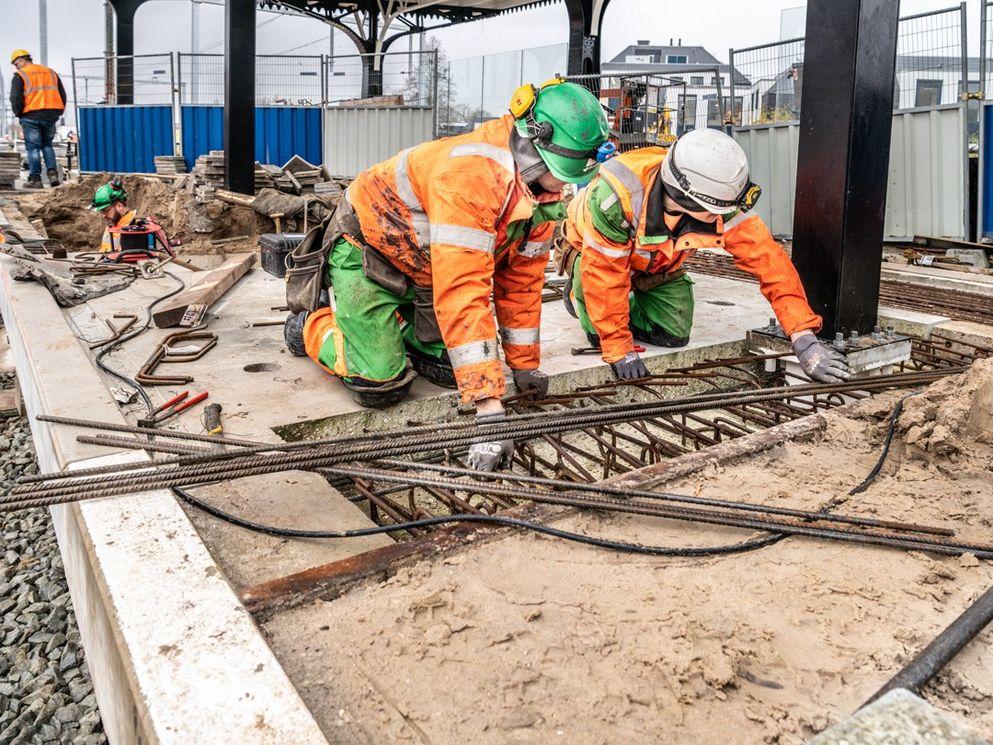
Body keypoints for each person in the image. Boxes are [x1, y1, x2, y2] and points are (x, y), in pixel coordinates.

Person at [284, 79, 609, 470]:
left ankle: (394, 329)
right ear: (535, 150)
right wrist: (489, 411)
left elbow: (520, 285)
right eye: (567, 173)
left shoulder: (541, 194)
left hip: (425, 267)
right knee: (380, 385)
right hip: (369, 251)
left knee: (444, 371)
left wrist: (524, 366)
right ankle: (311, 324)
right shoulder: (470, 178)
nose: (570, 185)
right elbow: (463, 290)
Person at [559, 128, 849, 384]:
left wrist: (803, 337)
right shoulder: (617, 196)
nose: (726, 215)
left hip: (657, 264)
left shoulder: (718, 199)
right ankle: (577, 297)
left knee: (673, 334)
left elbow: (770, 263)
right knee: (600, 325)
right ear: (687, 199)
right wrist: (618, 346)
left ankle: (628, 300)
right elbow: (605, 273)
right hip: (594, 257)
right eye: (719, 210)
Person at [9, 49, 66, 189]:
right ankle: (53, 175)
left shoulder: (20, 75)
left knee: (33, 148)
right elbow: (62, 94)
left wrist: (19, 114)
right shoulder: (51, 72)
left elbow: (16, 98)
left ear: (22, 60)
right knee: (47, 145)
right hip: (50, 115)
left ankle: (35, 179)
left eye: (17, 64)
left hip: (31, 115)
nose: (17, 67)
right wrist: (58, 111)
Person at [91, 179, 136, 252]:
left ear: (119, 206)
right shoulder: (114, 221)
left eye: (106, 210)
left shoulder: (136, 227)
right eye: (101, 211)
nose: (103, 216)